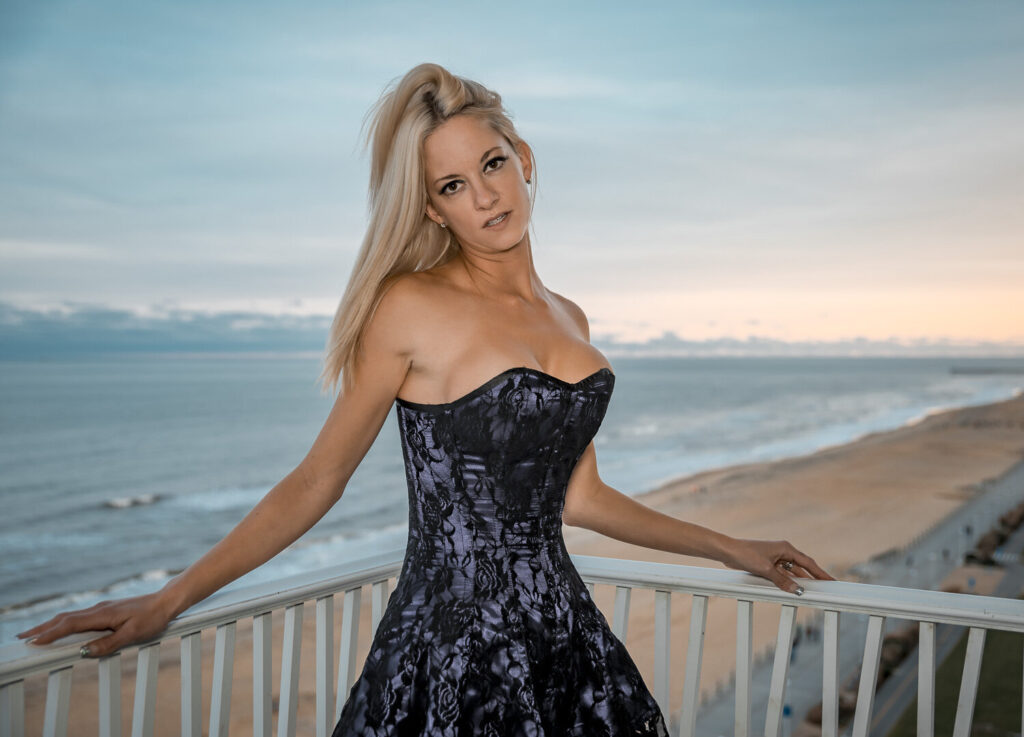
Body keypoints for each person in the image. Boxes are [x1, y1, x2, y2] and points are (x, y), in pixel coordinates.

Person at [16, 62, 835, 734]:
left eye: (490, 164)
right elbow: (315, 482)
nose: (483, 197)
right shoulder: (410, 306)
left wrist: (732, 546)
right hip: (450, 653)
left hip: (564, 643)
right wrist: (171, 595)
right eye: (451, 186)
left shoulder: (571, 317)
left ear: (522, 155)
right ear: (432, 208)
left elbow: (581, 497)